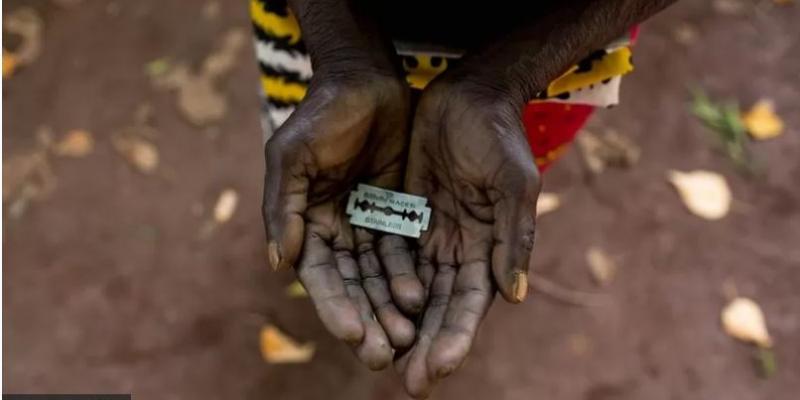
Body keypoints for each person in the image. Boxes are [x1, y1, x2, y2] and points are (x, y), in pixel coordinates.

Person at [252, 0, 674, 397]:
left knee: (499, 175)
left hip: (554, 59)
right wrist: (340, 50)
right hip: (320, 36)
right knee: (314, 150)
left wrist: (508, 79)